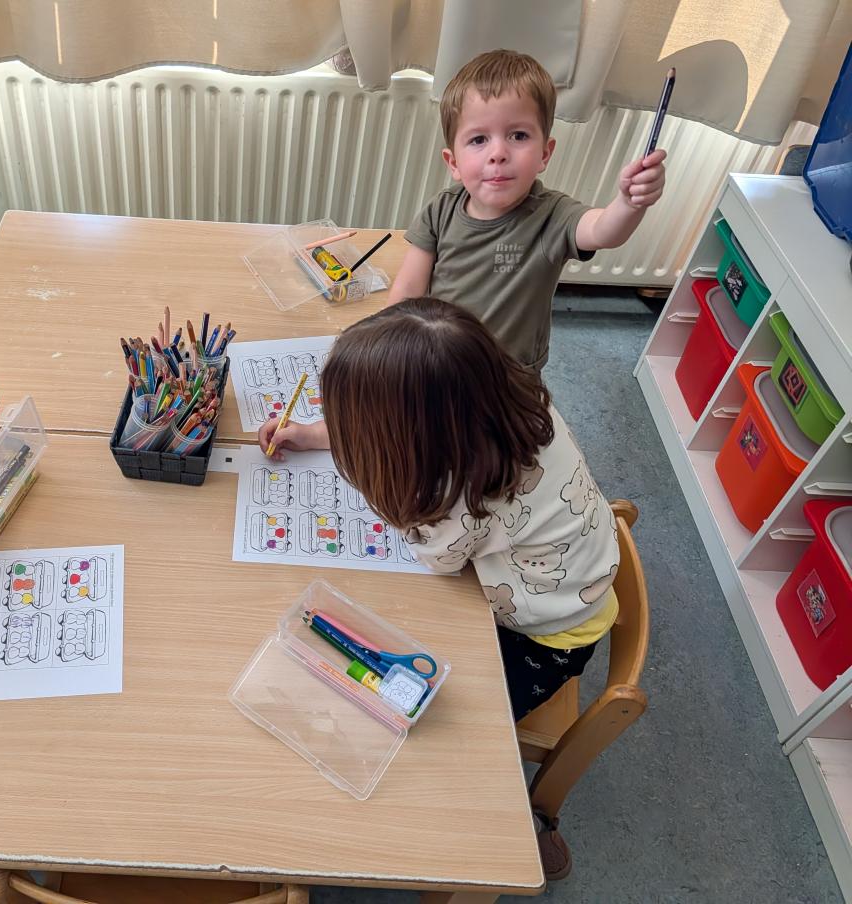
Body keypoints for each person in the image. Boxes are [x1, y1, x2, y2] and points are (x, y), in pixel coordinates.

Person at [258, 298, 621, 879]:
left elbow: (438, 560)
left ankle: (516, 823)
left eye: (356, 427)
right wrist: (315, 434)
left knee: (426, 719)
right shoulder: (509, 406)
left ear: (413, 436)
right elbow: (399, 426)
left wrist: (381, 482)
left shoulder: (467, 494)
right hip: (577, 576)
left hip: (548, 637)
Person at [389, 49, 667, 372]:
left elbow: (603, 230)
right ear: (454, 163)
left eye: (518, 135)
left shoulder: (553, 214)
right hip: (442, 360)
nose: (498, 153)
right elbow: (408, 291)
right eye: (478, 140)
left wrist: (629, 203)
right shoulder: (439, 210)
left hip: (511, 376)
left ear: (544, 154)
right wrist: (387, 349)